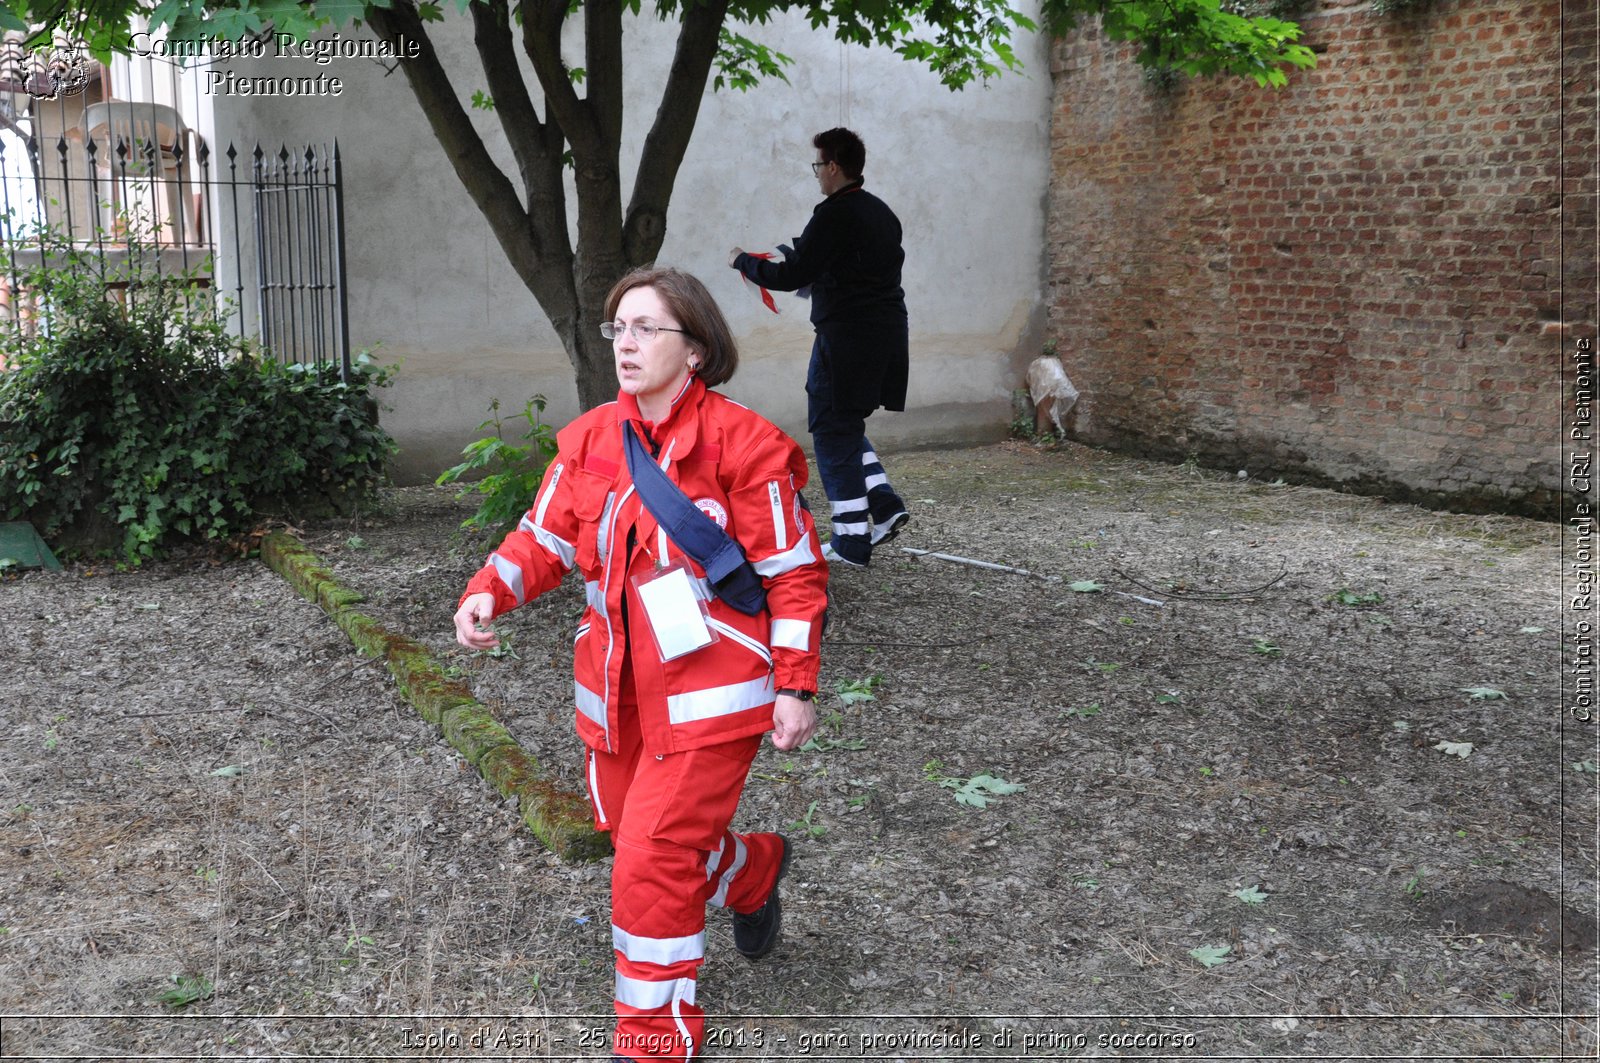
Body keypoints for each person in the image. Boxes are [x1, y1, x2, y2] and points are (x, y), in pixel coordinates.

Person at [452, 268, 828, 1063]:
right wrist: (488, 589)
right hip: (617, 700)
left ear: (694, 350)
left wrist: (795, 682)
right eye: (617, 327)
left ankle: (653, 1044)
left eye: (646, 328)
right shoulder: (590, 439)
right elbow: (544, 539)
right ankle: (753, 871)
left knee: (651, 861)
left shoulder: (746, 445)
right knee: (645, 842)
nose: (625, 342)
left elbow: (794, 573)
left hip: (712, 700)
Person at [729, 126, 911, 568]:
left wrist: (744, 262)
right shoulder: (882, 213)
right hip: (884, 336)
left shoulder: (835, 213)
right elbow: (836, 265)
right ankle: (883, 505)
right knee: (844, 422)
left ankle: (851, 540)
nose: (816, 175)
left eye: (818, 166)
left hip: (846, 339)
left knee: (830, 428)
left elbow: (796, 274)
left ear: (833, 166)